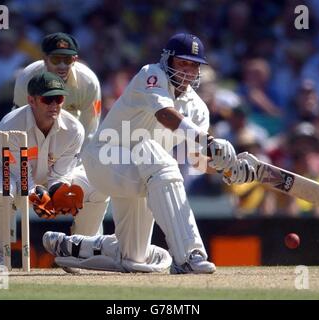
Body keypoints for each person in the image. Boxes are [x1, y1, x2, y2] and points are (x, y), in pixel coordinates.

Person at [42, 33, 258, 274]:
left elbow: (197, 160)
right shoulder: (151, 75)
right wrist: (208, 141)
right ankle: (189, 256)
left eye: (193, 65)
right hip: (105, 160)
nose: (187, 71)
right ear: (167, 60)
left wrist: (226, 168)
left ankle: (72, 246)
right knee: (154, 152)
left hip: (147, 175)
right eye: (182, 63)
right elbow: (165, 114)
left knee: (134, 259)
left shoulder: (198, 108)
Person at [0, 72, 108, 271]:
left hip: (44, 177)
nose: (54, 105)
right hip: (6, 172)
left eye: (59, 98)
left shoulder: (74, 129)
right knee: (0, 191)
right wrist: (36, 193)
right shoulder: (11, 124)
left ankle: (79, 252)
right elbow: (19, 173)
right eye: (47, 99)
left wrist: (57, 189)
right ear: (31, 100)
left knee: (99, 189)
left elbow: (61, 173)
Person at [13, 32, 108, 236]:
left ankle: (86, 246)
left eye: (68, 59)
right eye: (56, 59)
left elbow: (90, 134)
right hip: (30, 154)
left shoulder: (88, 82)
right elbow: (18, 128)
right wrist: (35, 170)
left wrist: (62, 176)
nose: (63, 66)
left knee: (98, 188)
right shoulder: (27, 78)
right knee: (2, 189)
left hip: (70, 152)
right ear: (44, 58)